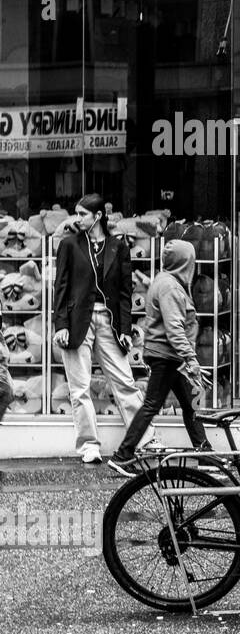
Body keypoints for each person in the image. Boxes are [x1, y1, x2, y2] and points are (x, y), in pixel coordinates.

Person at [52, 193, 152, 464]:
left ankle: (146, 439)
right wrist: (60, 324)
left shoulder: (117, 247)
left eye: (83, 214)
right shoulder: (70, 245)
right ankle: (88, 446)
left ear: (97, 216)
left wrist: (125, 329)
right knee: (79, 388)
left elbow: (124, 293)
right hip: (76, 323)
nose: (78, 218)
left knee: (125, 382)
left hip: (109, 322)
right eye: (76, 213)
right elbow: (59, 286)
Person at [107, 240, 211, 476]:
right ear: (185, 263)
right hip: (167, 357)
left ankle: (205, 454)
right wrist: (191, 360)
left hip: (170, 356)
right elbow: (174, 328)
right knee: (153, 405)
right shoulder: (170, 287)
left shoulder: (164, 281)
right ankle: (123, 454)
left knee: (190, 403)